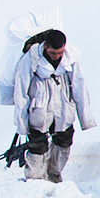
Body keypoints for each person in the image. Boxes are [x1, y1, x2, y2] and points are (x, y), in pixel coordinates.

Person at [14, 29, 94, 182]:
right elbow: (21, 92)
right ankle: (35, 180)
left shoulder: (71, 58)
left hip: (64, 108)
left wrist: (86, 118)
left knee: (63, 143)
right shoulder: (31, 59)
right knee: (37, 147)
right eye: (53, 53)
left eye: (60, 52)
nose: (57, 56)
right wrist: (22, 124)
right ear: (45, 47)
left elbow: (79, 86)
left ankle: (54, 174)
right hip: (39, 109)